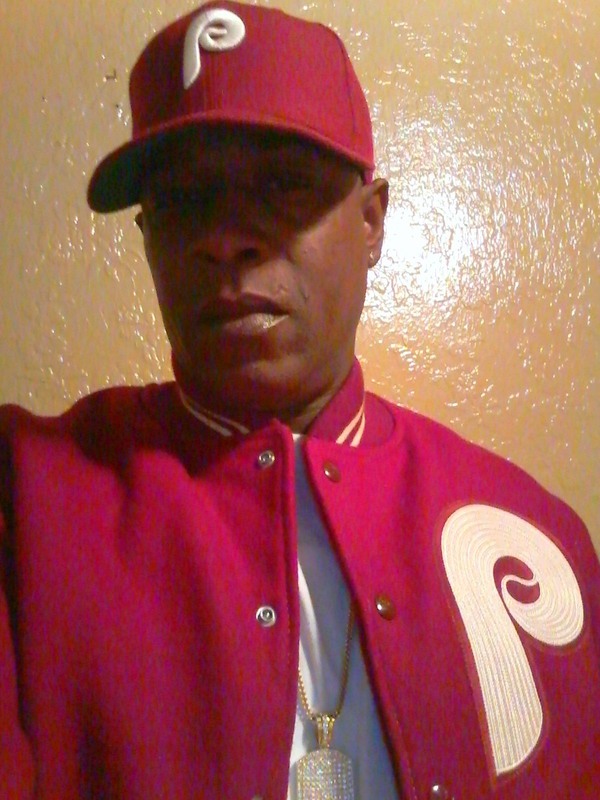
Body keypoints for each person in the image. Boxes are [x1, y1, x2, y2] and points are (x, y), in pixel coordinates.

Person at [1, 2, 599, 798]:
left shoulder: (535, 533)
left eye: (284, 185)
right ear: (147, 239)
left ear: (372, 222)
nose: (225, 237)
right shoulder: (26, 498)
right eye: (183, 199)